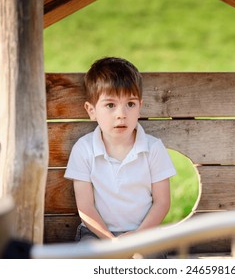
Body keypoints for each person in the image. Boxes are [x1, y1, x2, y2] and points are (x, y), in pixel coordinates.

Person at [64, 57, 176, 257]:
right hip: (97, 234)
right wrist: (112, 242)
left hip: (144, 234)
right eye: (110, 105)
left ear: (139, 107)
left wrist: (137, 237)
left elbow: (162, 202)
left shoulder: (153, 148)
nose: (121, 114)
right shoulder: (84, 149)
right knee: (84, 260)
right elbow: (86, 206)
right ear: (91, 111)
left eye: (130, 104)